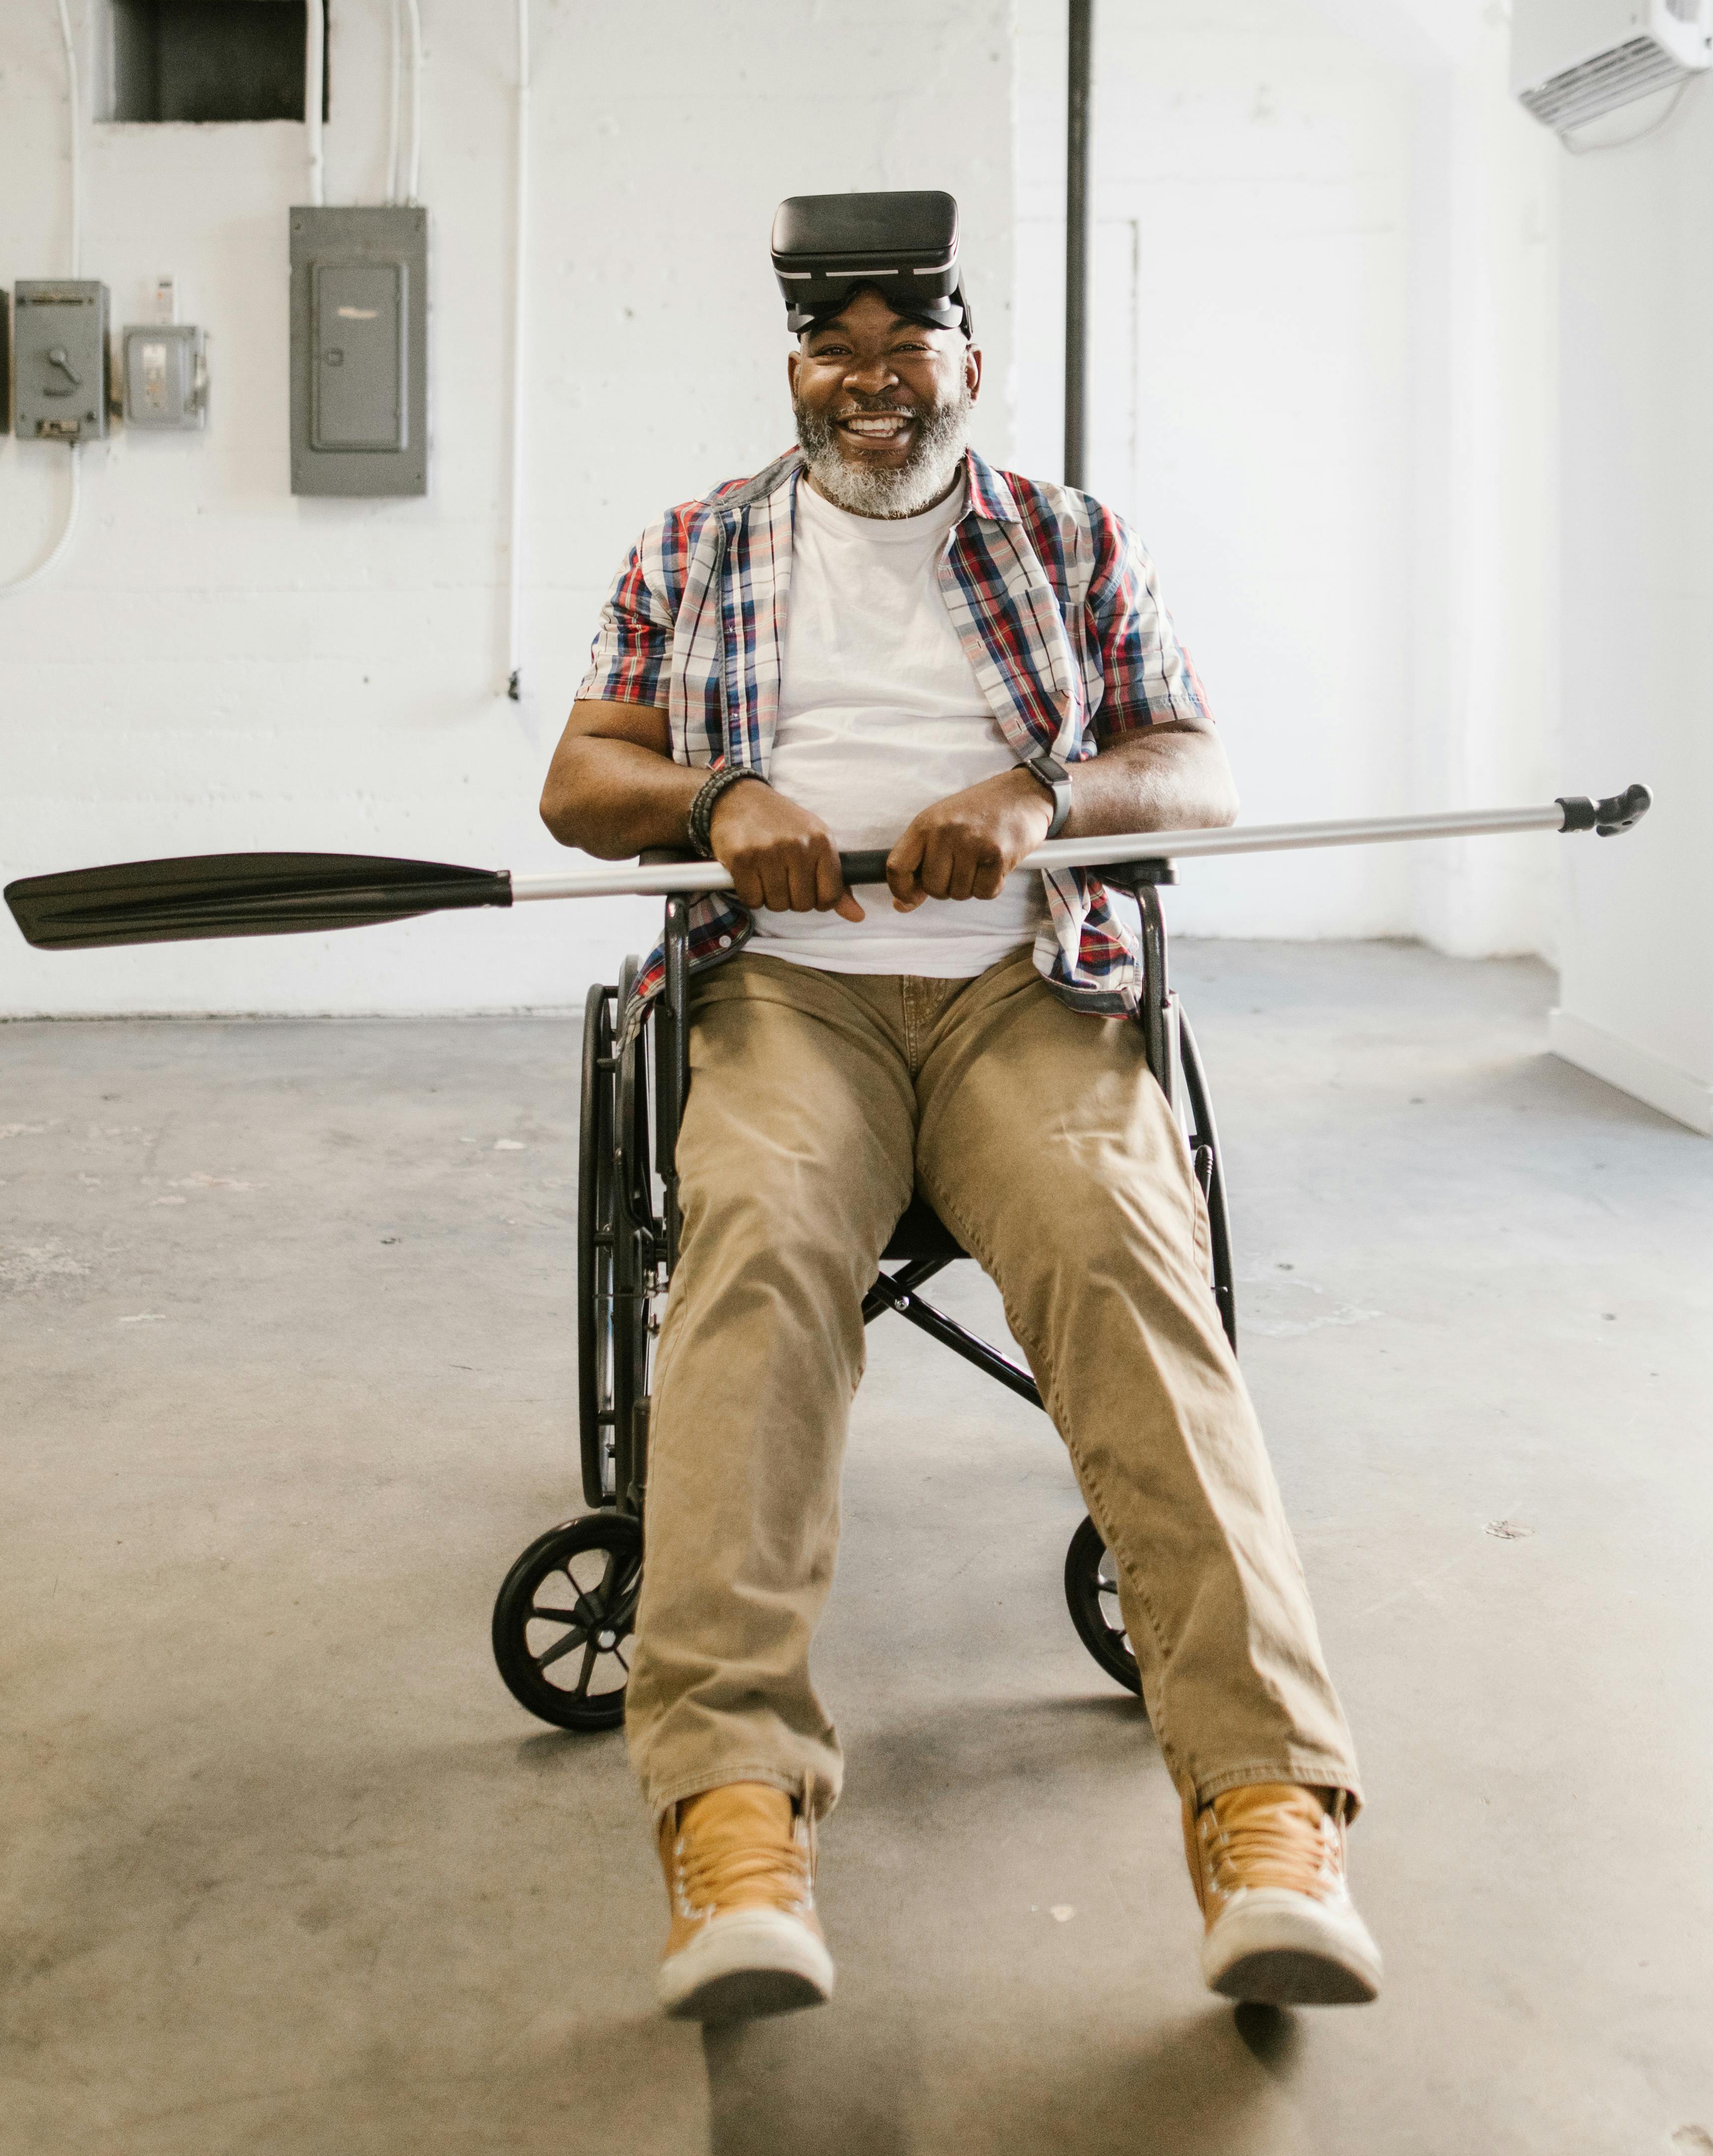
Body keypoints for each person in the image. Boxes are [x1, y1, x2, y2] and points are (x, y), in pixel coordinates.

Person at [539, 190, 1380, 2025]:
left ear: (968, 364)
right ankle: (735, 1819)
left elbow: (1198, 765)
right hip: (790, 1000)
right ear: (794, 373)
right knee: (754, 1262)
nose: (869, 380)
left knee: (1117, 1251)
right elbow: (578, 778)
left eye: (904, 345)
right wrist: (712, 811)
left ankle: (1267, 1814)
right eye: (833, 350)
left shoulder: (1072, 541)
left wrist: (1039, 798)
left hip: (1024, 989)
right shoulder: (692, 544)